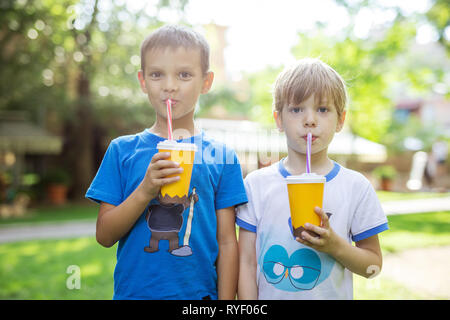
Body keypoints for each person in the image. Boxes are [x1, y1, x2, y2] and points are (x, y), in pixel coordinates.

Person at [86, 25, 247, 300]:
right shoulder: (121, 151)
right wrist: (146, 190)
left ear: (206, 82)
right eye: (157, 74)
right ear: (143, 81)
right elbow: (104, 235)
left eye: (184, 74)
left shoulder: (223, 157)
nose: (170, 85)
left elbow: (227, 241)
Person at [237, 58, 388, 299]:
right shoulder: (255, 185)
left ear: (340, 120)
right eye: (297, 109)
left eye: (323, 109)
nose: (310, 120)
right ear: (279, 119)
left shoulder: (356, 187)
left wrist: (335, 246)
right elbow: (245, 263)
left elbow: (373, 267)